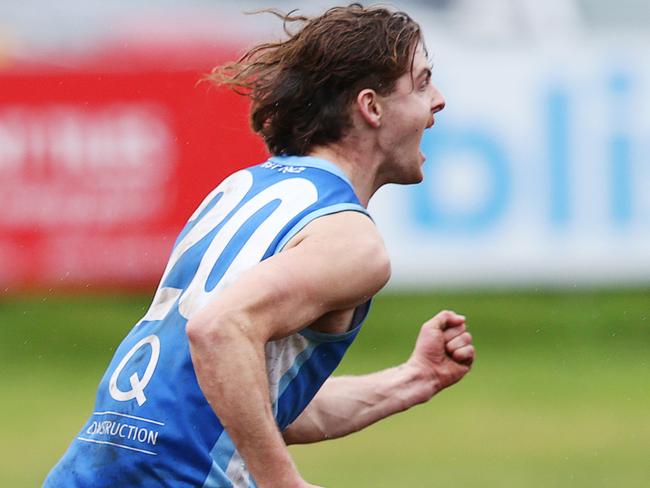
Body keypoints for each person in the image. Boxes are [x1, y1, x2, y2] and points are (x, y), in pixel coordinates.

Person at [44, 4, 475, 487]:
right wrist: (282, 482)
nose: (436, 100)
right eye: (420, 84)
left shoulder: (242, 188)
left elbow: (250, 403)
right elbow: (218, 330)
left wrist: (415, 378)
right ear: (371, 107)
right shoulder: (353, 242)